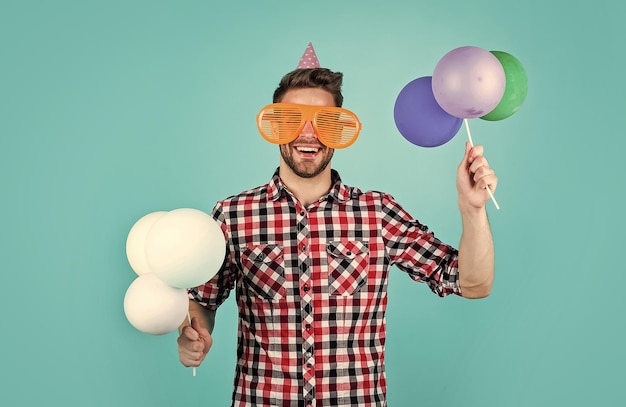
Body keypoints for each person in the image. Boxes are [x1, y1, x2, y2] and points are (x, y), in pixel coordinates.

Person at [177, 43, 497, 406]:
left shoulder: (378, 213)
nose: (308, 134)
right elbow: (201, 300)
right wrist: (194, 334)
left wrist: (472, 209)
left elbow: (472, 282)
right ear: (275, 127)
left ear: (340, 129)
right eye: (292, 120)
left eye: (324, 122)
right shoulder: (232, 216)